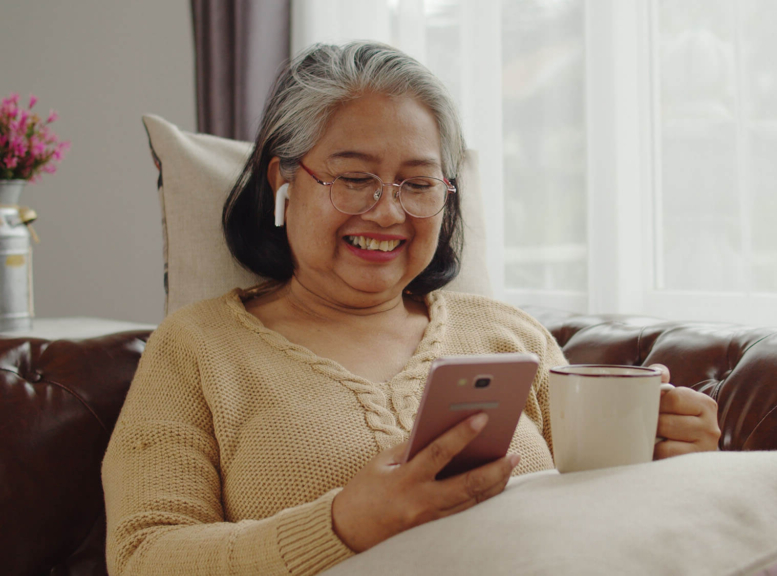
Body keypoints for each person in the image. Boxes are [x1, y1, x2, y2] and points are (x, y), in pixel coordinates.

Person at [101, 41, 720, 576]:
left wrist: (672, 468)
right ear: (282, 182)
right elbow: (144, 556)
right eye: (353, 178)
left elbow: (605, 529)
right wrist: (342, 525)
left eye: (418, 184)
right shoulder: (197, 349)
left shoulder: (511, 337)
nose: (388, 212)